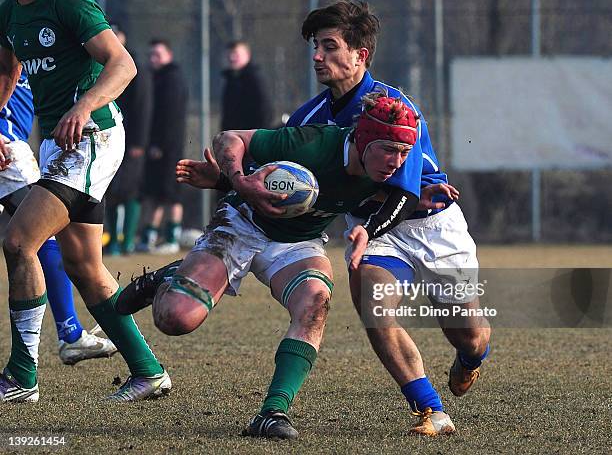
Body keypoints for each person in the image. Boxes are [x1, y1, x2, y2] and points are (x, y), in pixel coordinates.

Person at [170, 0, 491, 436]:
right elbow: (290, 182)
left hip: (432, 227)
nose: (317, 56)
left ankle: (470, 359)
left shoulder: (394, 109)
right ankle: (431, 409)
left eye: (329, 46)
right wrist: (226, 180)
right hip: (373, 234)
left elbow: (403, 195)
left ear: (361, 55)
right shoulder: (310, 118)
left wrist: (368, 226)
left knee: (471, 335)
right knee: (375, 309)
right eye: (315, 46)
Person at [117, 93, 450, 440]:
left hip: (297, 243)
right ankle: (171, 276)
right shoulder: (312, 142)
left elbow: (387, 197)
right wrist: (235, 180)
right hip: (242, 224)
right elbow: (228, 139)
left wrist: (419, 202)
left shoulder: (382, 170)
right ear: (363, 138)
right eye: (388, 149)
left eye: (404, 153)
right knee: (176, 318)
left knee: (316, 300)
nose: (397, 162)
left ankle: (272, 412)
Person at [0, 0, 170, 403]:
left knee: (20, 241)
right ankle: (149, 371)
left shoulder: (66, 0)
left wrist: (84, 106)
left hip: (93, 136)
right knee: (84, 267)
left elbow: (123, 64)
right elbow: (8, 72)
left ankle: (22, 375)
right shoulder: (9, 13)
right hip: (58, 142)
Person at [0, 71, 117, 365]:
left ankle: (71, 334)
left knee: (33, 238)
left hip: (12, 141)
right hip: (6, 145)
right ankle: (70, 334)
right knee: (37, 236)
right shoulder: (13, 30)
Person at [104, 24, 152, 256]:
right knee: (111, 190)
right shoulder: (101, 63)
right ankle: (112, 240)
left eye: (116, 32)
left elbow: (143, 108)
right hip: (108, 137)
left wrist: (138, 143)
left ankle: (128, 242)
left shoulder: (135, 66)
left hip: (131, 141)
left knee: (130, 190)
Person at [137, 39, 188, 254]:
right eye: (151, 55)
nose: (152, 59)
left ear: (169, 55)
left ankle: (171, 238)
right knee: (156, 193)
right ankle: (149, 236)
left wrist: (160, 144)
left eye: (157, 54)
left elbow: (170, 117)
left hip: (169, 147)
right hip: (157, 146)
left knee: (170, 193)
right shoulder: (155, 78)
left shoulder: (172, 79)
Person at [221, 40, 273, 131]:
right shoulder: (230, 80)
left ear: (247, 55)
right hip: (234, 139)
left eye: (236, 54)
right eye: (230, 54)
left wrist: (256, 138)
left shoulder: (255, 79)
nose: (232, 58)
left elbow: (265, 111)